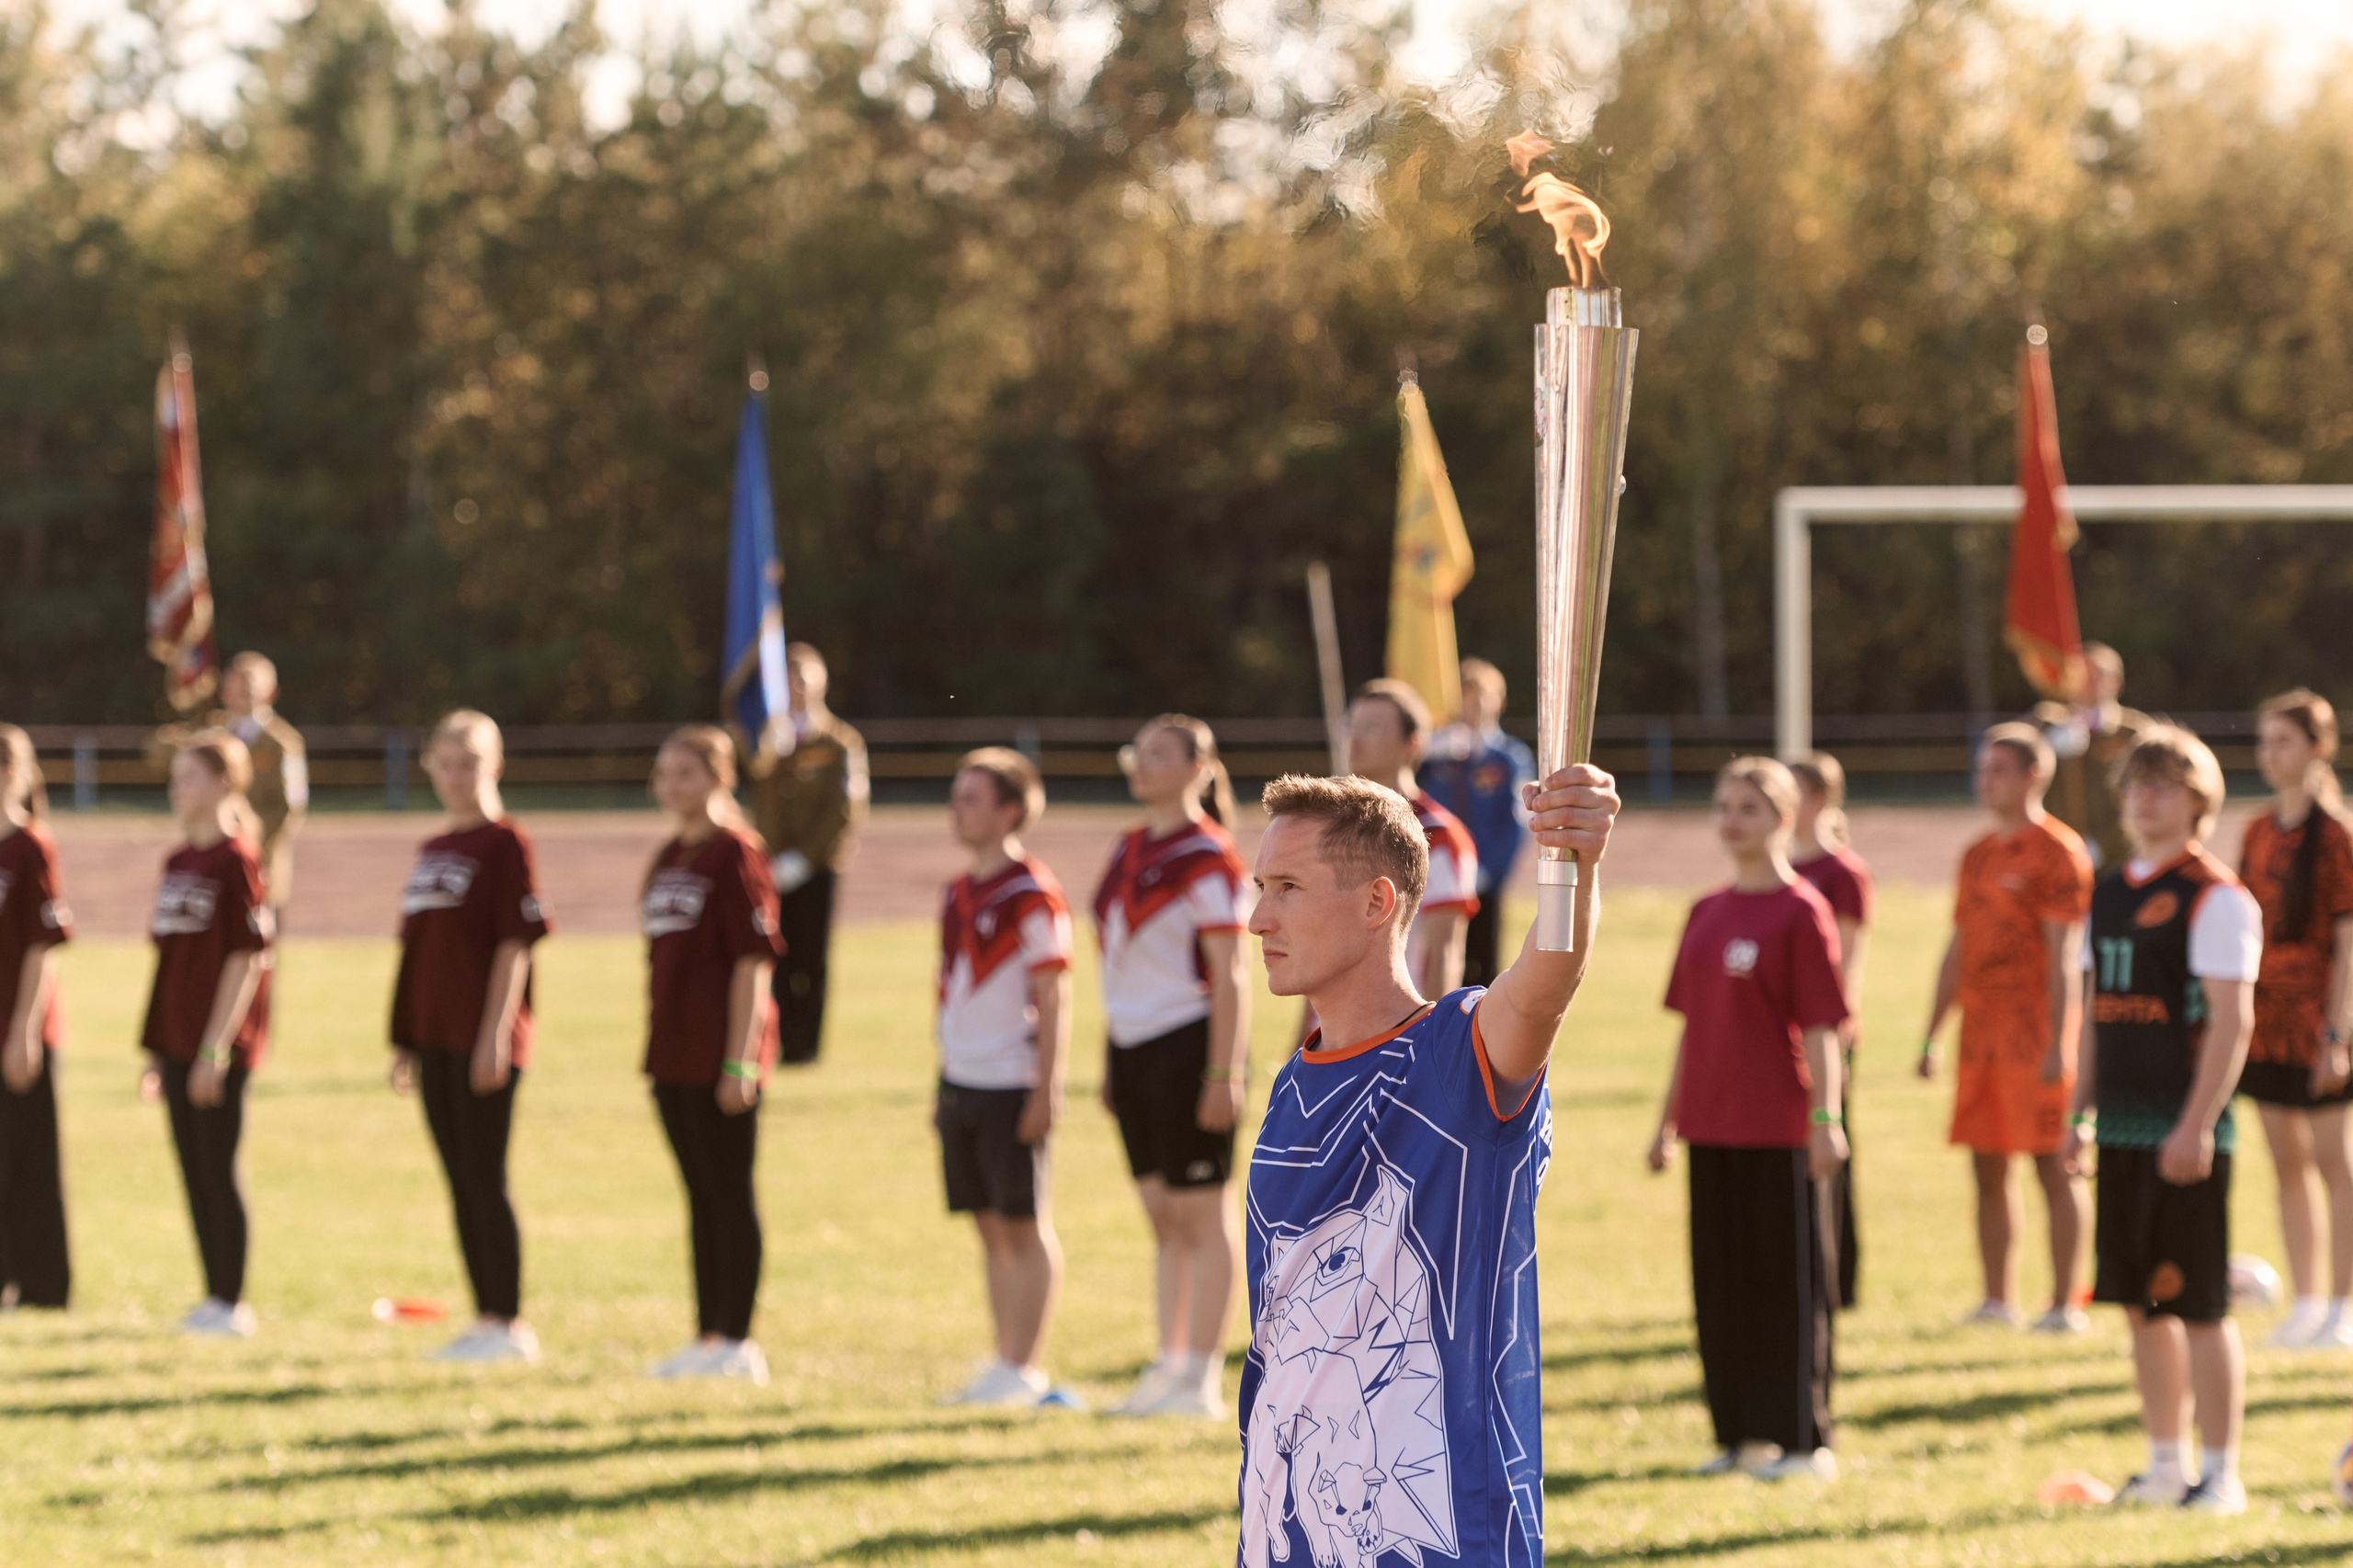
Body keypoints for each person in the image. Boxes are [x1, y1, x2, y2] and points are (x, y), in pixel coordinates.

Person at [1235, 757, 1618, 1565]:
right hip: (1289, 1531)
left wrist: (1570, 861)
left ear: (1379, 902)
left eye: (1288, 889)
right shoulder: (1291, 1085)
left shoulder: (1452, 1059)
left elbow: (1545, 980)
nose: (1257, 919)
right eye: (1260, 886)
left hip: (1437, 1533)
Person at [2063, 723, 2261, 1513]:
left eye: (2165, 785)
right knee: (2140, 1302)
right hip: (2118, 1130)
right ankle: (2163, 1463)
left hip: (2183, 1132)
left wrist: (2197, 1124)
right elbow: (2093, 1014)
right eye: (2137, 784)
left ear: (2198, 800)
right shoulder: (2106, 891)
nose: (2147, 798)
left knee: (2199, 1304)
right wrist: (2078, 1115)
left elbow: (2230, 1022)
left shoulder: (2215, 895)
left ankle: (2221, 1473)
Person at [1646, 757, 1849, 1482]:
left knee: (1787, 1288)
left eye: (1750, 808)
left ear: (1784, 819)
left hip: (1779, 1128)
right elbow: (1689, 1026)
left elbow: (1825, 1027)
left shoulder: (1802, 911)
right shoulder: (1705, 911)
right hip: (1710, 1125)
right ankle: (1736, 1437)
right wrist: (1666, 1122)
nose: (1733, 820)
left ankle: (1802, 1440)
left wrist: (1826, 1118)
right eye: (1724, 805)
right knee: (1721, 1287)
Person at [1092, 717, 1251, 1418]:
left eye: (1161, 753)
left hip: (1188, 1044)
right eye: (1139, 751)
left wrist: (1223, 1074)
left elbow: (1231, 974)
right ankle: (1169, 1362)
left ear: (1198, 768)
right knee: (1161, 1217)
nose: (1143, 763)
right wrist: (1110, 1054)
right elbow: (1118, 960)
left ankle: (1201, 1377)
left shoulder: (1210, 855)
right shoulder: (1129, 846)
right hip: (1133, 1050)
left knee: (1201, 1211)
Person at [388, 711, 551, 1364]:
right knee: (458, 1179)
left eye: (469, 764)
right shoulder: (433, 849)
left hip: (482, 1039)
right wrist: (406, 1038)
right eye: (445, 764)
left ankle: (507, 1321)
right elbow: (420, 952)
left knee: (485, 1176)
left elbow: (516, 945)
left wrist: (496, 1035)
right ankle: (484, 1318)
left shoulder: (505, 843)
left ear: (495, 766)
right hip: (432, 1038)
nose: (456, 777)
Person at [1920, 723, 2094, 1332]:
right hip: (1982, 1037)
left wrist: (2059, 1041)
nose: (1984, 780)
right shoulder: (1978, 854)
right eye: (1981, 769)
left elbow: (2067, 955)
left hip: (2035, 1038)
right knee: (1986, 1166)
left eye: (1998, 770)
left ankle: (2064, 1303)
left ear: (2032, 776)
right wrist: (1932, 1031)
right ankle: (1998, 1300)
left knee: (2055, 1166)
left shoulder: (2059, 852)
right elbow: (1961, 943)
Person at [640, 726, 783, 1384]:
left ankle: (739, 1341)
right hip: (671, 1054)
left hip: (720, 1058)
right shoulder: (671, 854)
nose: (673, 787)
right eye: (665, 775)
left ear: (721, 778)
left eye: (687, 774)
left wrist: (740, 1060)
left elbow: (753, 965)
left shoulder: (736, 854)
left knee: (730, 1193)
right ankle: (707, 1335)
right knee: (698, 1197)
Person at [935, 747, 1074, 1408]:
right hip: (960, 1078)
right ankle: (1002, 1358)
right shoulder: (959, 890)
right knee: (988, 1225)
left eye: (972, 796)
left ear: (1010, 810)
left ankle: (1026, 1365)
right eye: (956, 794)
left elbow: (1054, 995)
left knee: (1024, 1221)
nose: (957, 807)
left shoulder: (1032, 892)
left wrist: (1047, 1087)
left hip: (1010, 1080)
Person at [142, 731, 273, 1337]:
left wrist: (215, 1049)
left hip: (215, 1047)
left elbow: (247, 958)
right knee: (191, 1168)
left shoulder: (236, 859)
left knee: (218, 1167)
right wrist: (156, 1048)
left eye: (189, 776)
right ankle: (211, 1298)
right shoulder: (178, 861)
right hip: (173, 1040)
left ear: (225, 783)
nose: (177, 788)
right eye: (176, 778)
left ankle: (232, 1300)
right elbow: (169, 963)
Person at [2235, 689, 2353, 1348]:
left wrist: (2338, 1033)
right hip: (2266, 1020)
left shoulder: (2336, 835)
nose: (2270, 754)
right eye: (2264, 741)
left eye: (2283, 741)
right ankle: (2306, 1303)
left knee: (2336, 1162)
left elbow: (2348, 938)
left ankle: (2343, 1306)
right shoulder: (2256, 830)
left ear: (2317, 748)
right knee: (2287, 1164)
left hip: (2322, 1022)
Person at [751, 643, 870, 1066]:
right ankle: (780, 1042)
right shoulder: (767, 736)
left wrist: (804, 858)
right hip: (770, 866)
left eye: (804, 677)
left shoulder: (840, 741)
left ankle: (807, 1048)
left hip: (816, 867)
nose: (796, 687)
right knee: (775, 954)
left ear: (821, 683)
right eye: (789, 678)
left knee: (812, 958)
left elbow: (845, 809)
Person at [1790, 751, 1871, 1312]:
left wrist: (1836, 1032)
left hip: (1823, 1032)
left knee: (1829, 1151)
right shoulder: (1777, 865)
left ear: (1819, 798)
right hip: (1774, 1034)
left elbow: (1850, 962)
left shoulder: (1842, 872)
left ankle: (1835, 1281)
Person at [0, 726, 72, 1310]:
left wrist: (23, 1029)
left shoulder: (30, 847)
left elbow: (41, 946)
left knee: (29, 1159)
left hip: (19, 1029)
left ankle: (44, 1288)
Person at [1349, 679, 1478, 1000]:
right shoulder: (1336, 827)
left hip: (1398, 1030)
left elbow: (1445, 951)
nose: (1355, 738)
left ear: (1412, 743)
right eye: (1352, 725)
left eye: (1373, 727)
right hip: (1333, 1034)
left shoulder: (1439, 834)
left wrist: (1431, 1039)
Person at [1419, 657, 1535, 988]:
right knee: (1439, 963)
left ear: (1500, 700)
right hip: (1440, 873)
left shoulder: (1509, 756)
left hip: (1485, 879)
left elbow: (1518, 820)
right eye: (1467, 696)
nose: (1475, 705)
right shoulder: (1440, 753)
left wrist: (1491, 871)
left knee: (1484, 968)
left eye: (1483, 695)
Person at [2036, 642, 2151, 872]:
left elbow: (2143, 796)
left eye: (2096, 674)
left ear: (2117, 682)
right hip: (2058, 857)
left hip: (2119, 859)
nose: (2087, 682)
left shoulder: (2133, 732)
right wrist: (2044, 747)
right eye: (2079, 674)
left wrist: (2102, 846)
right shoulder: (2046, 723)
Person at [219, 653, 309, 911]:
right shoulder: (215, 736)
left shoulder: (282, 742)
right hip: (217, 856)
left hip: (261, 857)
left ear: (270, 692)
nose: (238, 694)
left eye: (248, 687)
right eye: (232, 686)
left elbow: (290, 806)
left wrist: (251, 839)